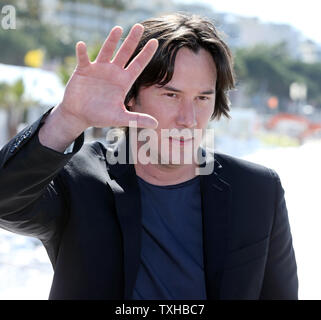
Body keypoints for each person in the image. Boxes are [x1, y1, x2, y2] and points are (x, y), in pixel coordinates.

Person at [0, 12, 298, 300]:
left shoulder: (258, 190)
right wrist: (68, 118)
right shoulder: (77, 180)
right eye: (171, 95)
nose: (188, 119)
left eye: (203, 98)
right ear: (131, 97)